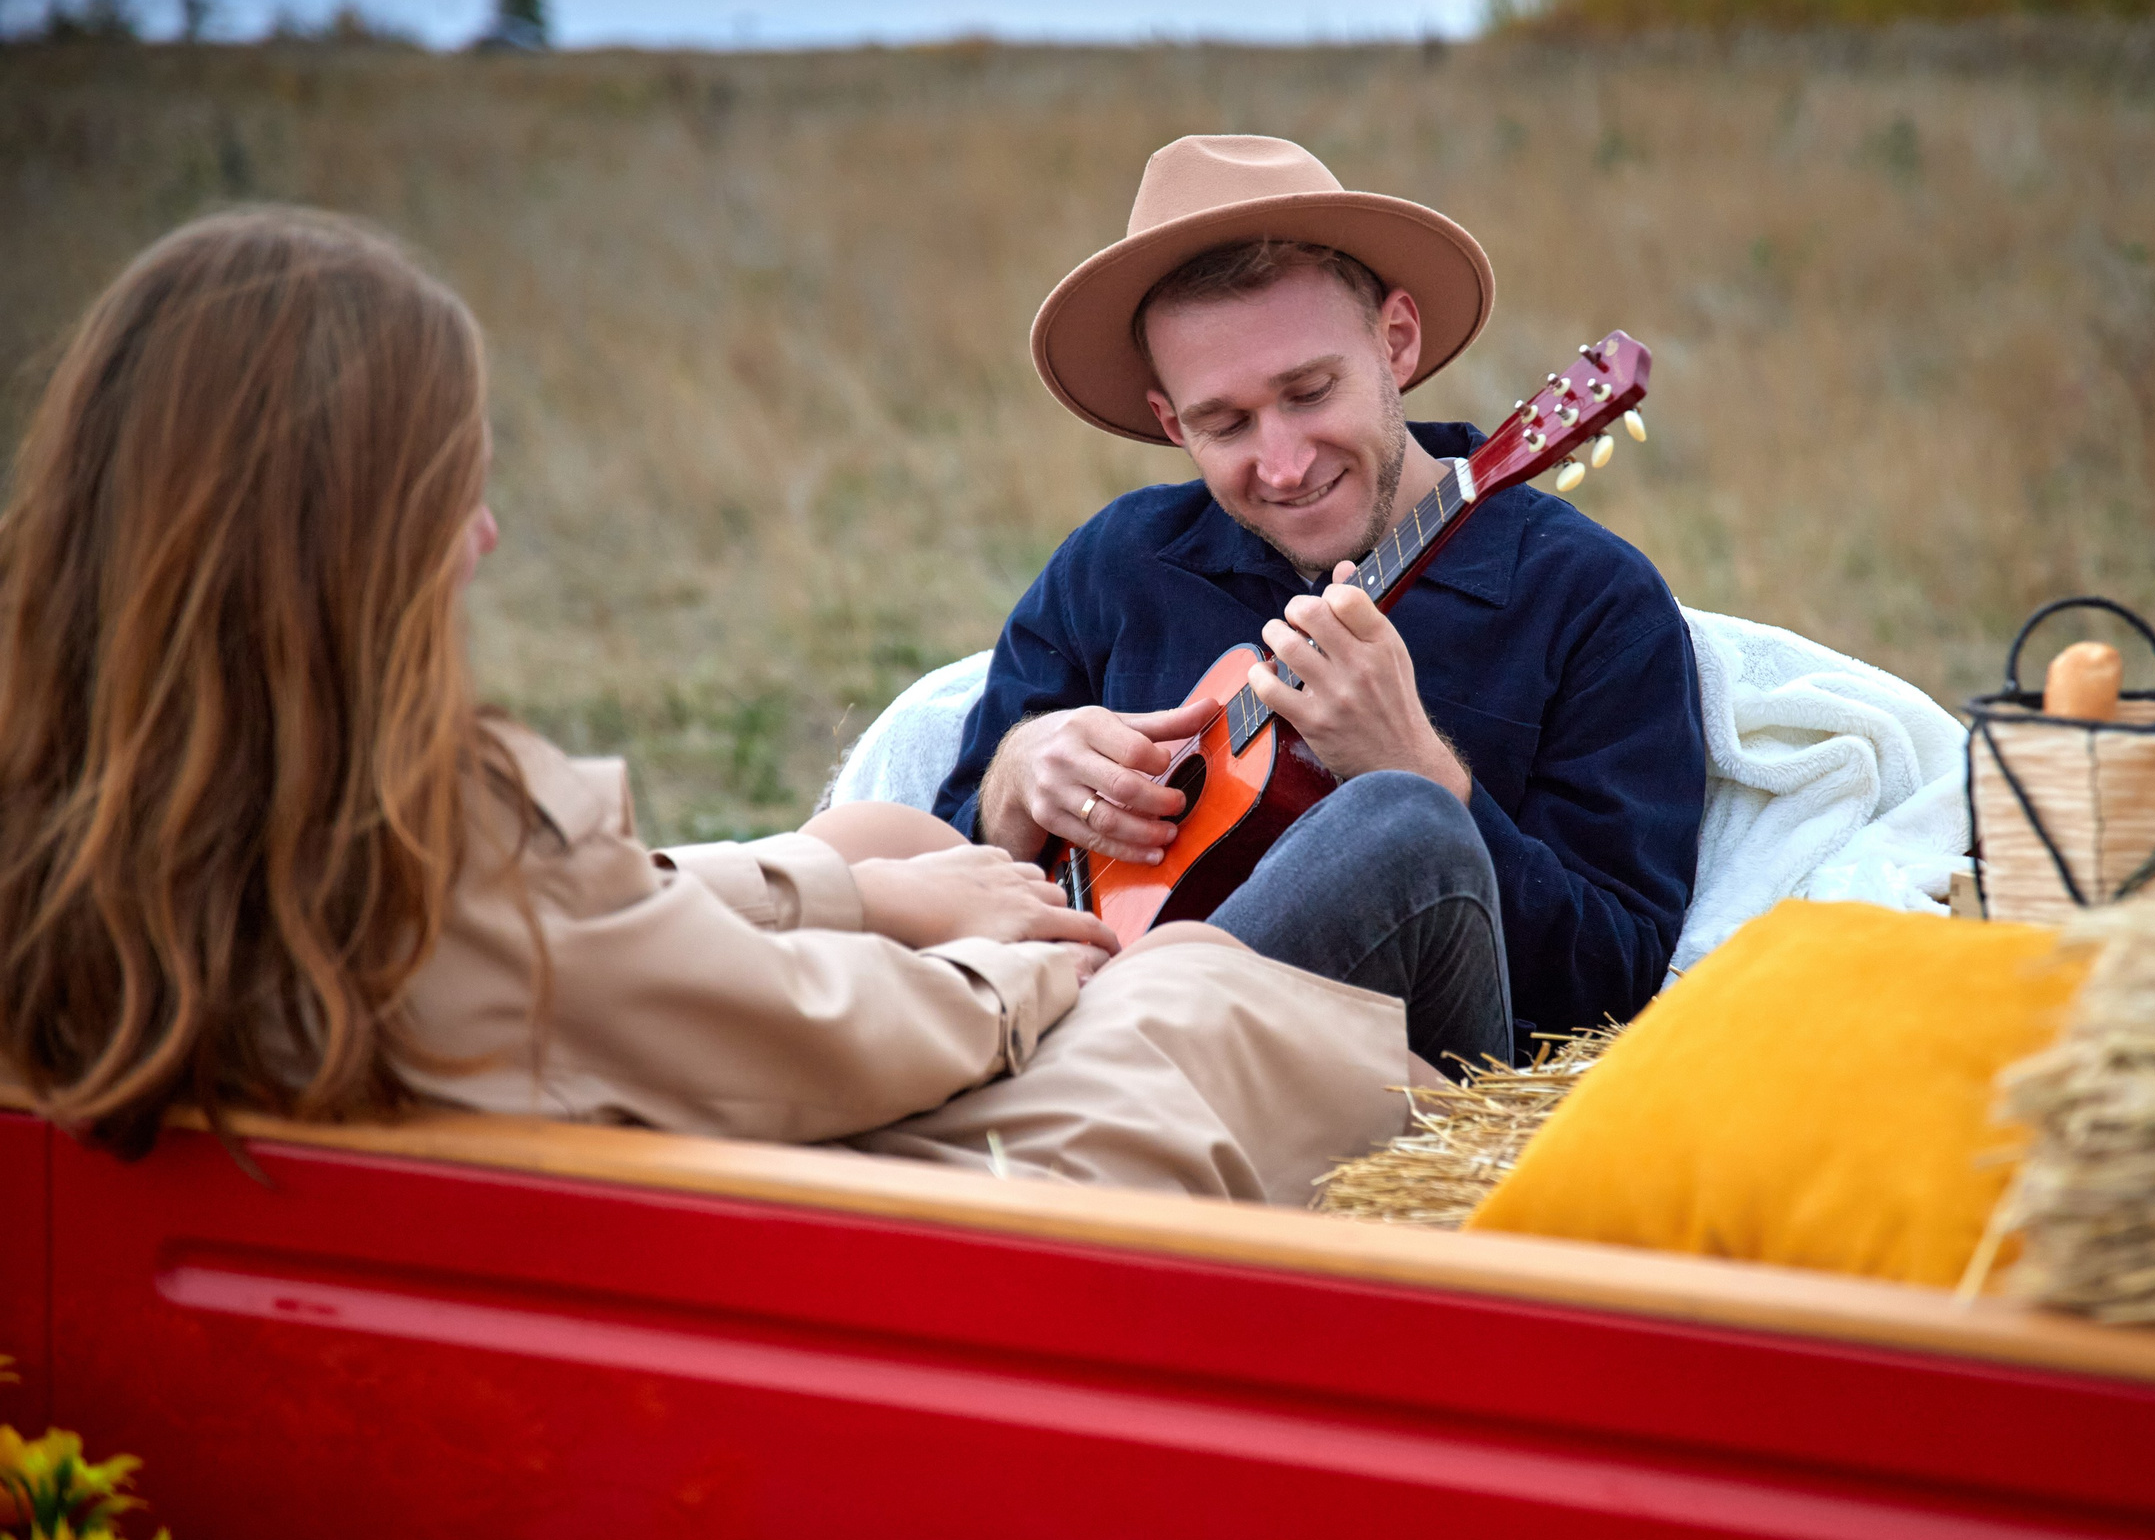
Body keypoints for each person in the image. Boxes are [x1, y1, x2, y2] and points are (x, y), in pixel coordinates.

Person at [0, 205, 1452, 1207]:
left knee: (883, 838)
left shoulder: (129, 829)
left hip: (603, 1169)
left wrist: (846, 886)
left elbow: (593, 909)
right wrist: (1054, 965)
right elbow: (797, 1031)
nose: (482, 536)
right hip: (800, 1225)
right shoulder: (427, 860)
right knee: (1204, 993)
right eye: (447, 494)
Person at [937, 135, 1707, 1063]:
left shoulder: (1590, 600)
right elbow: (937, 863)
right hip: (1057, 1026)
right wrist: (1015, 780)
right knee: (863, 841)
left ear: (1396, 341)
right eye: (1225, 423)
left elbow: (1616, 987)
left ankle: (1114, 1060)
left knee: (1404, 826)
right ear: (1171, 422)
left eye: (1309, 392)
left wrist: (1421, 767)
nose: (1284, 464)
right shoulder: (1117, 565)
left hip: (1384, 1086)